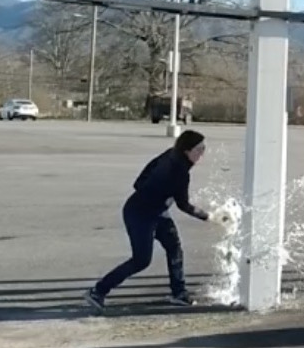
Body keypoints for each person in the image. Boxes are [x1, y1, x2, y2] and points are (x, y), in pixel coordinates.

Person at [84, 131, 213, 313]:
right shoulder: (181, 172)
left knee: (174, 247)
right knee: (141, 260)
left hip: (154, 211)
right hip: (139, 214)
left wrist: (155, 196)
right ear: (187, 150)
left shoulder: (170, 154)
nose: (202, 153)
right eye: (200, 149)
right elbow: (183, 205)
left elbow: (139, 181)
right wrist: (208, 216)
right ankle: (98, 291)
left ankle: (179, 293)